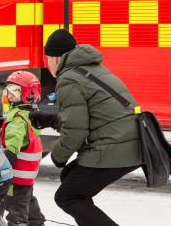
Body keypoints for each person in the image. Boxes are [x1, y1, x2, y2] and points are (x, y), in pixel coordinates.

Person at [39, 29, 141, 226]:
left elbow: (76, 131)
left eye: (48, 58)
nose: (47, 63)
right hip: (130, 142)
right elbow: (90, 117)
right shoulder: (92, 69)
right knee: (71, 179)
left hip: (114, 146)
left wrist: (57, 157)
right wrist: (50, 120)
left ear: (56, 59)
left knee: (67, 197)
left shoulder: (68, 79)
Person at [0, 71, 45, 226]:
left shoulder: (17, 119)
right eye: (9, 90)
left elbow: (12, 147)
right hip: (26, 178)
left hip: (15, 178)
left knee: (17, 214)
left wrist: (0, 171)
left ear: (28, 93)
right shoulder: (29, 114)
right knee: (29, 206)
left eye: (16, 90)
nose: (10, 94)